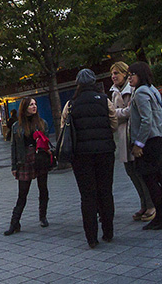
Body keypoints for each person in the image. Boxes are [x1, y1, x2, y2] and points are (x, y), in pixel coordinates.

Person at [62, 68, 117, 248]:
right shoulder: (104, 100)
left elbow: (64, 128)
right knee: (105, 192)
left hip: (81, 155)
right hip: (105, 152)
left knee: (87, 196)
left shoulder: (70, 104)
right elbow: (114, 123)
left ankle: (91, 238)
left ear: (78, 84)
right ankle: (108, 231)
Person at [128, 61, 162, 230]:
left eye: (132, 75)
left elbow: (146, 120)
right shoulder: (152, 89)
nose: (129, 79)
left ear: (140, 74)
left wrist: (138, 144)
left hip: (150, 141)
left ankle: (161, 216)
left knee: (150, 179)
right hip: (161, 137)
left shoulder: (140, 93)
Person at [110, 61, 154, 223]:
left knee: (140, 172)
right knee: (131, 173)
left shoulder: (134, 90)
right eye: (112, 74)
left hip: (133, 135)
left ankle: (151, 205)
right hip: (122, 137)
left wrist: (115, 113)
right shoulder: (115, 92)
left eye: (116, 73)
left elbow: (130, 112)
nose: (113, 77)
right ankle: (143, 203)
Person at [5, 96, 50, 234]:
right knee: (22, 193)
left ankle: (43, 216)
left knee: (43, 188)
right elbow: (13, 147)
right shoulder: (16, 126)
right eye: (31, 105)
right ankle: (14, 223)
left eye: (35, 104)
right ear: (24, 108)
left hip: (40, 158)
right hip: (24, 160)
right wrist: (14, 166)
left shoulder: (42, 123)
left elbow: (46, 143)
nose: (34, 106)